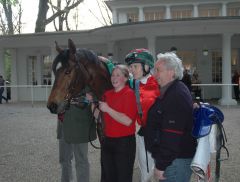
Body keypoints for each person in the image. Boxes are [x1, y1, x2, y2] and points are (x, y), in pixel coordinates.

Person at [144, 52, 197, 182]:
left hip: (174, 162)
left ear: (171, 72)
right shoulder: (171, 90)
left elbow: (172, 135)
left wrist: (161, 165)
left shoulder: (175, 95)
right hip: (173, 160)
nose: (154, 74)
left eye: (158, 70)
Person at [92, 64, 138, 182]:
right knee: (107, 176)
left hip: (124, 143)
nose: (114, 78)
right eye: (112, 75)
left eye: (118, 75)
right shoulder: (107, 94)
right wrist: (91, 103)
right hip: (107, 141)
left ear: (126, 78)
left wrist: (108, 109)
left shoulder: (129, 94)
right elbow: (100, 117)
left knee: (123, 177)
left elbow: (127, 121)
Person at [125, 48, 160, 182]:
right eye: (131, 66)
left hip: (158, 133)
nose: (132, 70)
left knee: (158, 167)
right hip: (141, 132)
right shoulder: (132, 84)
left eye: (135, 66)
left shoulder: (158, 83)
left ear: (146, 66)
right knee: (144, 166)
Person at [56, 86, 97, 182]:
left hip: (80, 126)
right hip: (63, 124)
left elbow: (96, 95)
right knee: (64, 159)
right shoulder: (62, 76)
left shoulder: (86, 74)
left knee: (81, 160)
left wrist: (89, 97)